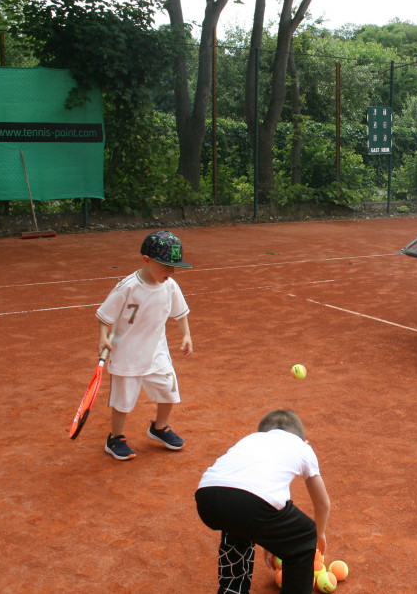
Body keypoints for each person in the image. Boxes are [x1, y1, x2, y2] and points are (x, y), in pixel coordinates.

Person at [195, 410, 331, 594]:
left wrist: (272, 540)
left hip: (207, 498)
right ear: (303, 441)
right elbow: (322, 503)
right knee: (305, 535)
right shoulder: (302, 447)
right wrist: (319, 533)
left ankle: (232, 589)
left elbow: (260, 495)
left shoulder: (250, 440)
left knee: (236, 523)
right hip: (252, 503)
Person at [95, 230, 194, 460]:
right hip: (127, 354)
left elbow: (180, 312)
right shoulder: (128, 287)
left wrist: (186, 335)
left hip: (157, 353)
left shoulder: (170, 286)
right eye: (166, 266)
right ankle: (115, 438)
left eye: (174, 267)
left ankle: (159, 428)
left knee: (169, 392)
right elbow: (105, 316)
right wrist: (102, 336)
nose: (171, 272)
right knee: (122, 402)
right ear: (146, 260)